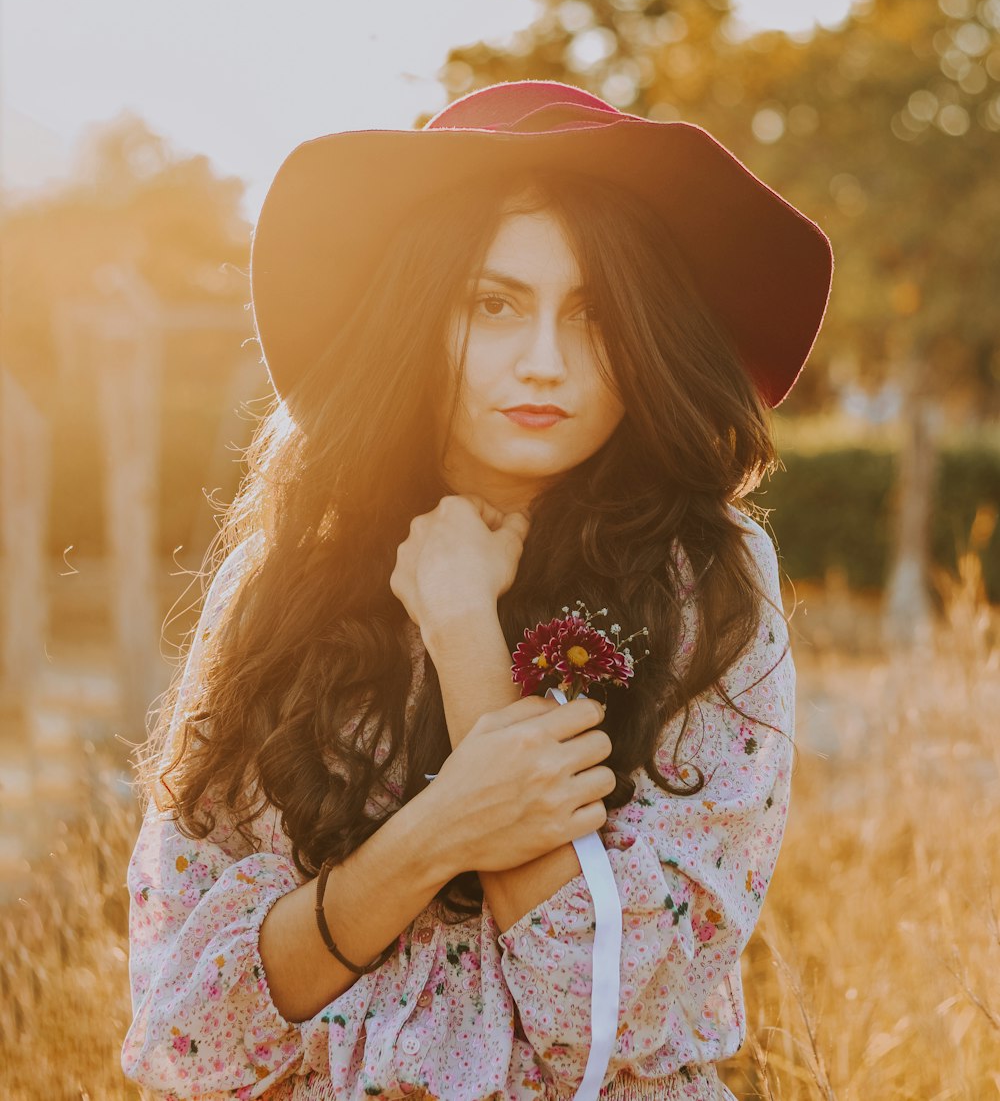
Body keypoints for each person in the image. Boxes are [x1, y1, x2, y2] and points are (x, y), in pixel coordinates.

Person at [121, 79, 833, 1101]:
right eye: (493, 305)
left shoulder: (706, 583)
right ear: (419, 318)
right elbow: (196, 1029)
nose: (542, 364)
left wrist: (464, 640)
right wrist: (438, 830)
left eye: (591, 315)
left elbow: (610, 1019)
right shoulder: (284, 576)